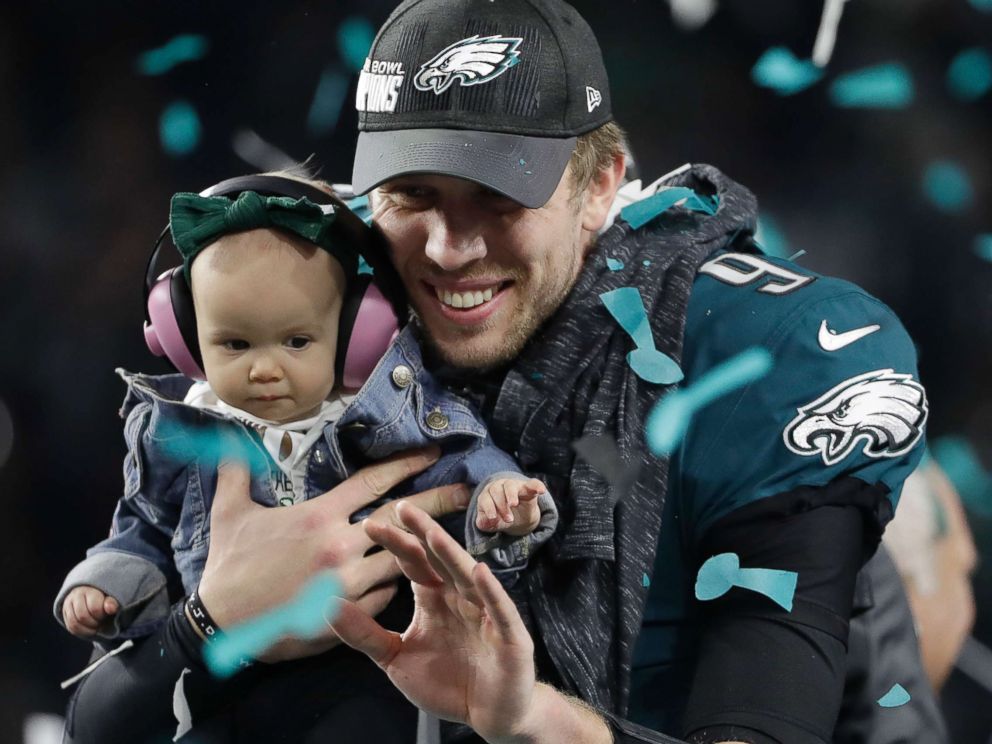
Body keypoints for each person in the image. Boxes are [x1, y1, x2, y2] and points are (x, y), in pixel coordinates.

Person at [62, 1, 930, 743]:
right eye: (414, 195)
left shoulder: (745, 359)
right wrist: (215, 620)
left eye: (499, 198)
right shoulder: (322, 330)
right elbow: (96, 722)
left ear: (601, 186)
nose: (449, 249)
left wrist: (532, 721)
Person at [57, 173, 554, 743]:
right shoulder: (175, 430)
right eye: (235, 344)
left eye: (296, 342)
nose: (264, 369)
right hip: (228, 676)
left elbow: (457, 464)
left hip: (359, 665)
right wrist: (107, 585)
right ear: (186, 339)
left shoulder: (384, 414)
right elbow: (143, 527)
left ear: (355, 335)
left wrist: (497, 493)